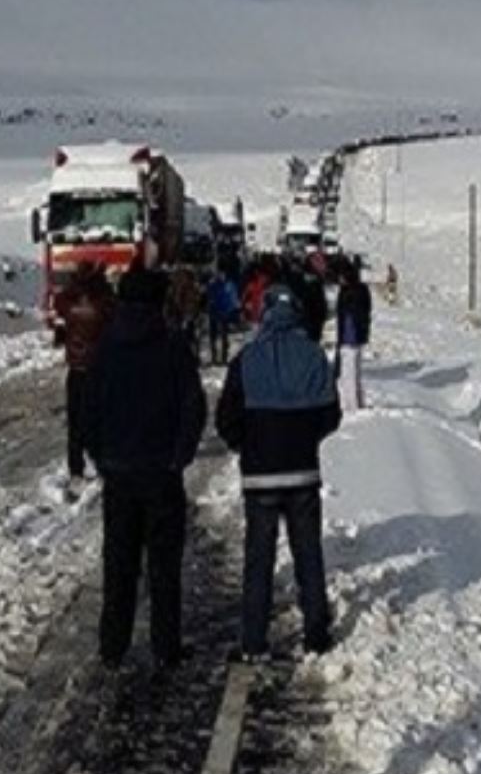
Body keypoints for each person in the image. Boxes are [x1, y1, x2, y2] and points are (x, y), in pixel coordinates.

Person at [81, 267, 207, 668]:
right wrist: (180, 455)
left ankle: (112, 647)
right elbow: (193, 407)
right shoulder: (173, 346)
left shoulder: (105, 348)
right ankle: (165, 646)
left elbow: (87, 410)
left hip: (118, 472)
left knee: (119, 563)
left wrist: (99, 455)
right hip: (161, 473)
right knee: (164, 566)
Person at [216, 284, 343, 659]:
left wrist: (247, 444)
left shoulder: (246, 359)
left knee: (259, 559)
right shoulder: (314, 356)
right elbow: (331, 415)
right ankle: (316, 635)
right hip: (303, 472)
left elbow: (226, 419)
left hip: (260, 476)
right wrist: (306, 438)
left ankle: (254, 641)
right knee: (308, 555)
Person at [53, 262, 114, 481]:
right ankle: (101, 459)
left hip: (76, 366)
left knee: (75, 419)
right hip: (99, 368)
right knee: (101, 417)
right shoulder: (105, 301)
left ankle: (75, 466)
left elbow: (58, 310)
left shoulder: (68, 301)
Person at [335, 260, 373, 411]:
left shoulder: (347, 291)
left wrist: (343, 339)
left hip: (348, 337)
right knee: (356, 373)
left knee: (348, 374)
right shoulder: (363, 289)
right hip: (360, 335)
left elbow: (345, 316)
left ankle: (351, 405)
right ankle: (359, 401)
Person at [205, 268, 241, 366]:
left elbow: (208, 298)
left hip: (218, 313)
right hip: (220, 313)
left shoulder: (214, 284)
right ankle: (220, 358)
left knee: (217, 337)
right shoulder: (225, 285)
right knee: (220, 337)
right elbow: (233, 300)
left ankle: (217, 358)